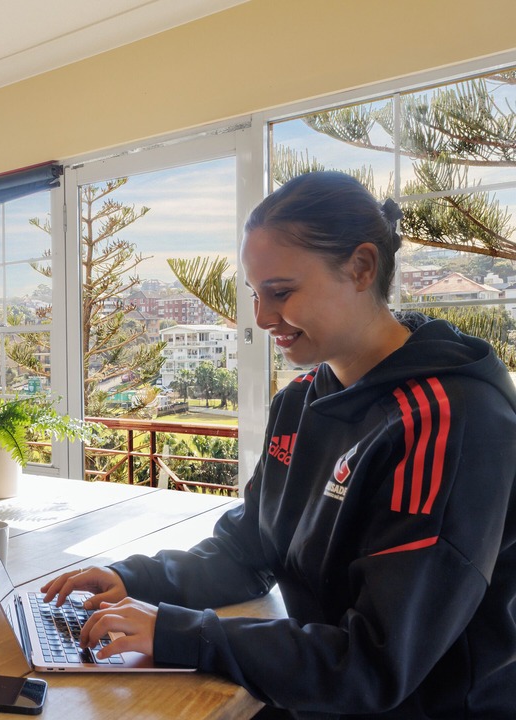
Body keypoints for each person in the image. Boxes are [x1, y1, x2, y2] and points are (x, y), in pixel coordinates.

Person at [42, 171, 516, 719]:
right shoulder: (300, 402)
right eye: (255, 294)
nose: (263, 318)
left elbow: (375, 664)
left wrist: (178, 633)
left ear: (362, 267)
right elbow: (248, 550)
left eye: (281, 292)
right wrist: (134, 579)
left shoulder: (450, 421)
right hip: (318, 691)